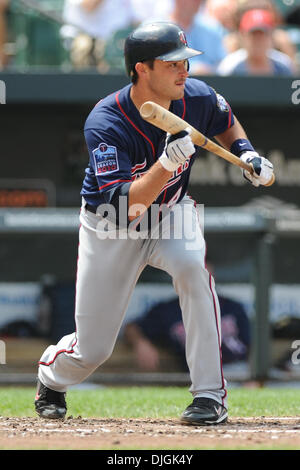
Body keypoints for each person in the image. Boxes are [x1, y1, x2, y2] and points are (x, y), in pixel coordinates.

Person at [35, 21, 274, 425]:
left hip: (172, 214)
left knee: (193, 270)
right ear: (141, 69)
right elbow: (127, 204)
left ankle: (209, 396)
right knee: (92, 350)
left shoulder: (195, 95)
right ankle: (52, 377)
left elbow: (225, 118)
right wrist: (167, 164)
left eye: (185, 61)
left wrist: (247, 153)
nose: (184, 70)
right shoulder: (106, 121)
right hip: (112, 223)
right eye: (172, 63)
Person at [124, 291, 251, 373]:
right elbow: (131, 327)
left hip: (241, 368)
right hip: (203, 375)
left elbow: (253, 345)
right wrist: (141, 342)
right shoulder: (169, 310)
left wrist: (254, 377)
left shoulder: (231, 306)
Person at [217, 7, 295, 76]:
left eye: (262, 34)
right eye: (253, 34)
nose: (258, 40)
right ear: (242, 36)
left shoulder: (283, 65)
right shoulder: (230, 66)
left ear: (271, 36)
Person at [61, 0, 134, 69]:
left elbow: (136, 18)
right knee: (84, 45)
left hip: (117, 40)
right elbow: (89, 6)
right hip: (81, 37)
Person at [168, 0, 228, 74]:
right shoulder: (158, 30)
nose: (194, 3)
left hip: (208, 83)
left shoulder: (213, 28)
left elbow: (222, 65)